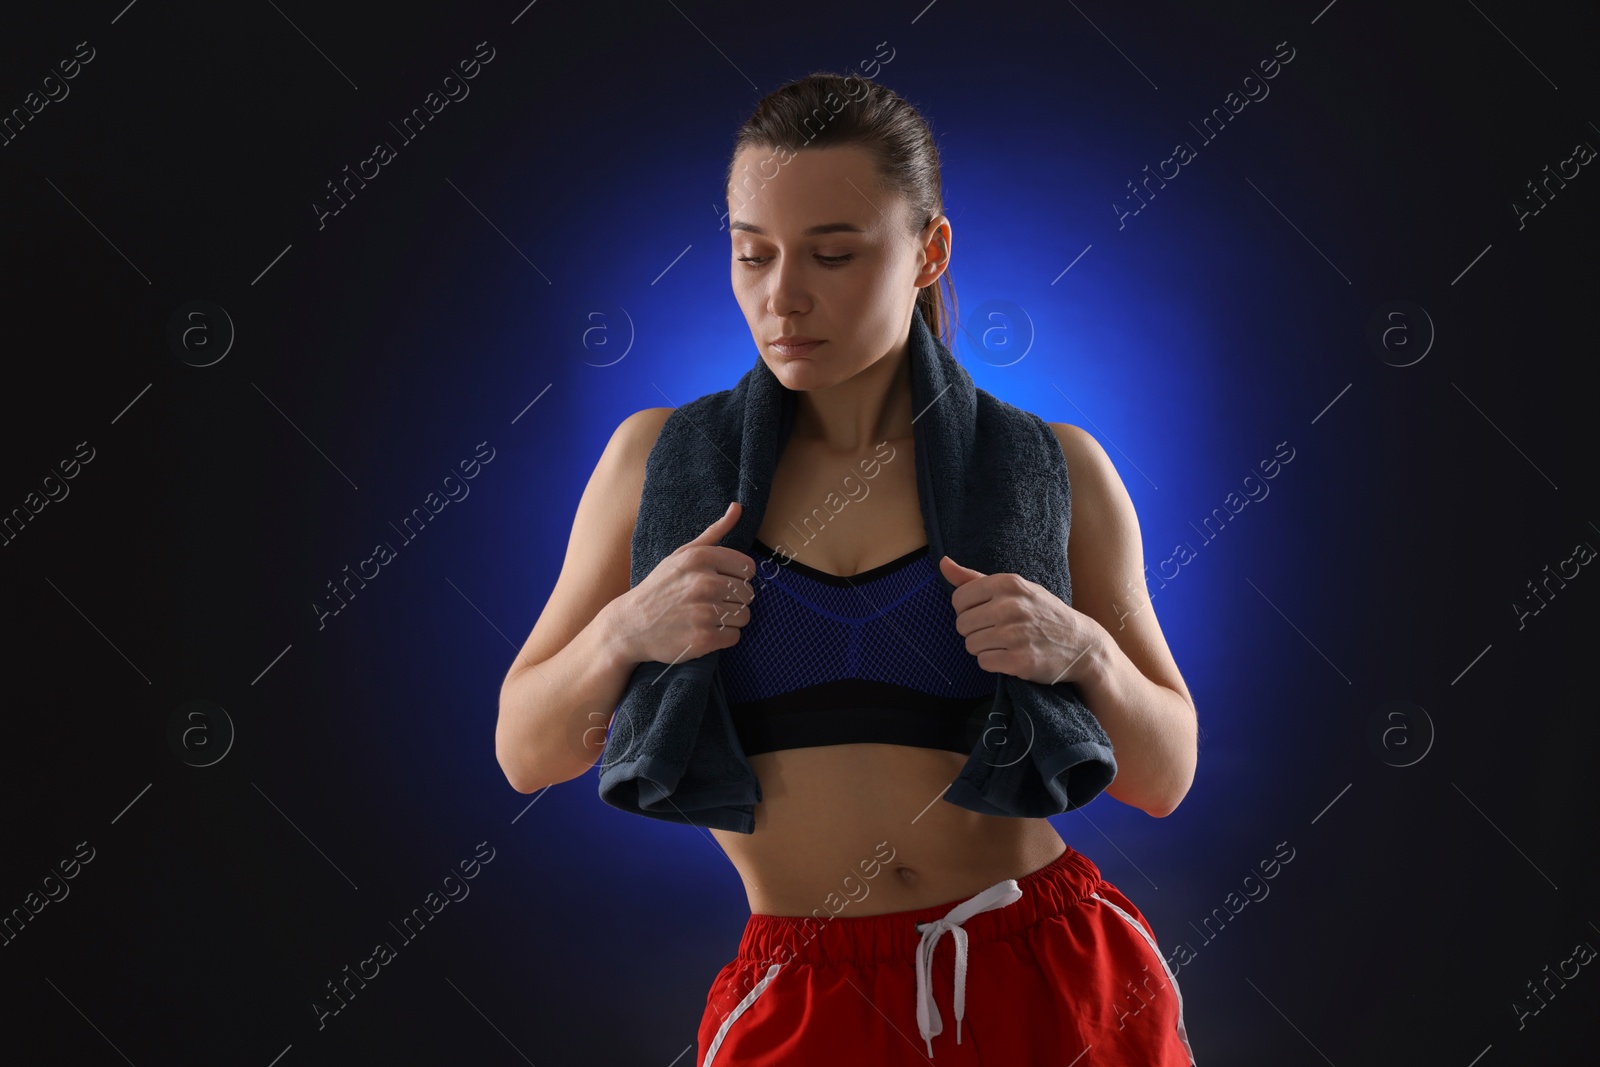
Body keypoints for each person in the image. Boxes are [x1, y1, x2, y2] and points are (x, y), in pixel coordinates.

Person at [495, 71, 1198, 1065]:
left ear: (928, 251)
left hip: (1048, 972)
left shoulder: (1054, 466)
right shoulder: (658, 463)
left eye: (833, 253)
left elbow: (1165, 774)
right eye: (752, 254)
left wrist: (1084, 649)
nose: (783, 296)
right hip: (806, 993)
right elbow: (527, 749)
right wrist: (624, 632)